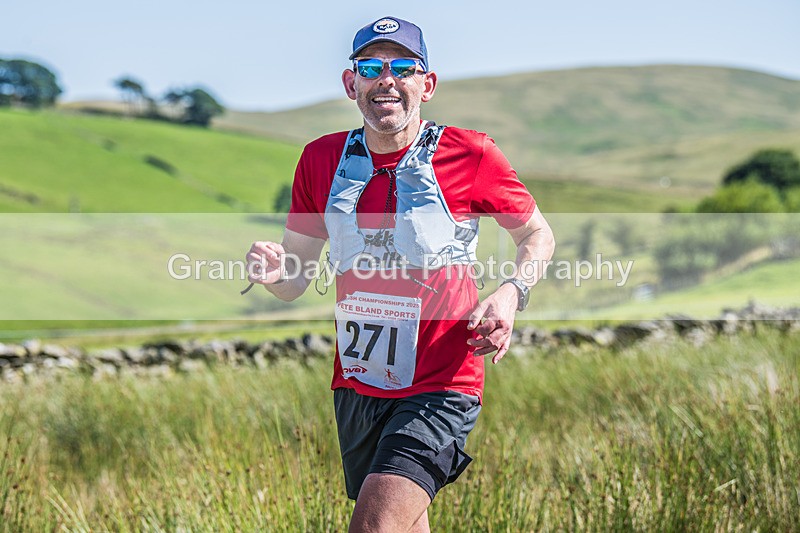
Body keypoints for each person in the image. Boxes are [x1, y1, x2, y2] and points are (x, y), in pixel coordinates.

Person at [246, 16, 555, 532]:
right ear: (352, 84)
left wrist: (509, 293)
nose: (385, 78)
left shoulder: (471, 153)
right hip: (359, 383)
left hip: (442, 380)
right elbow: (295, 279)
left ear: (426, 84)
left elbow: (537, 236)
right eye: (370, 67)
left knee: (374, 527)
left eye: (403, 67)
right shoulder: (320, 160)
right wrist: (275, 270)